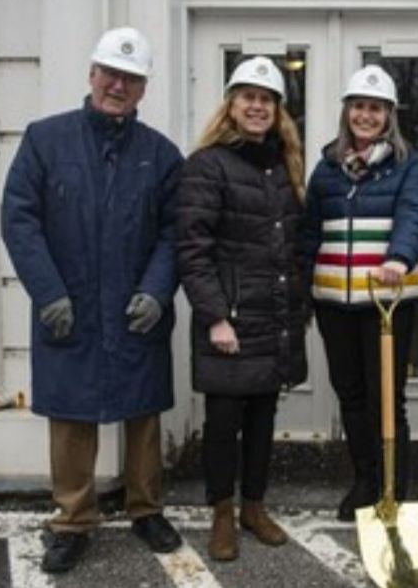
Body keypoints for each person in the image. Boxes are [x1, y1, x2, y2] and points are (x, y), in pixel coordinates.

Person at [1, 27, 184, 574]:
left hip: (134, 307)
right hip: (71, 306)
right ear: (92, 74)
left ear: (144, 88)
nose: (118, 86)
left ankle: (146, 509)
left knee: (143, 415)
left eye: (131, 79)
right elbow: (19, 219)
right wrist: (48, 292)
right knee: (71, 416)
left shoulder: (161, 155)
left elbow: (176, 231)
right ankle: (73, 520)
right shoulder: (45, 140)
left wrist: (156, 289)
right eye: (111, 74)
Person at [176, 56, 307, 562]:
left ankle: (254, 506)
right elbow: (193, 249)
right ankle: (222, 514)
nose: (257, 106)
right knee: (223, 423)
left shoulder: (284, 165)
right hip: (229, 319)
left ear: (277, 110)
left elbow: (293, 245)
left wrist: (298, 308)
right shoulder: (207, 165)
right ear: (231, 105)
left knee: (262, 419)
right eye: (248, 97)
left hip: (272, 317)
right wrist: (215, 317)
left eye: (266, 99)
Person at [302, 64, 418, 522]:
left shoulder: (410, 166)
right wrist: (301, 289)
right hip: (334, 302)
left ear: (389, 115)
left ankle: (394, 487)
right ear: (347, 112)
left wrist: (399, 257)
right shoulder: (327, 169)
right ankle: (365, 479)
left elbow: (415, 215)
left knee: (386, 399)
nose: (366, 115)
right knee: (351, 395)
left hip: (386, 303)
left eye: (376, 108)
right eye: (359, 106)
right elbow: (310, 232)